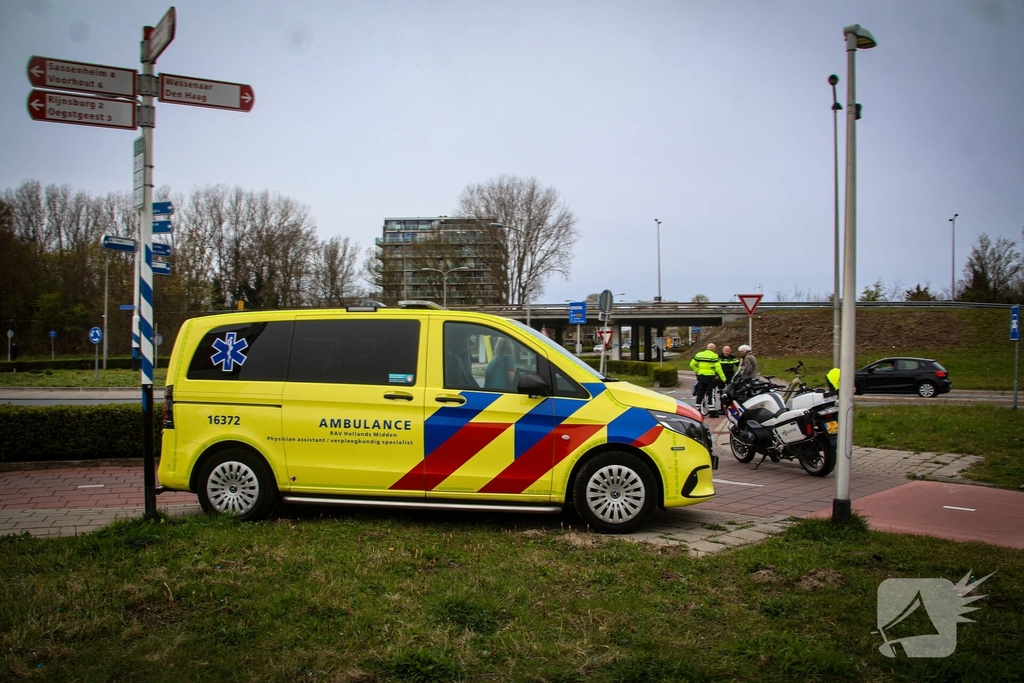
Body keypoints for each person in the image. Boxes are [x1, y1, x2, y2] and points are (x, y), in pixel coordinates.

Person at [690, 342, 726, 409]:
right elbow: (718, 368)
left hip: (701, 377)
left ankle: (698, 408)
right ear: (713, 349)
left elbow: (692, 364)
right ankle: (711, 410)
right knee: (711, 393)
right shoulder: (714, 356)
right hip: (710, 378)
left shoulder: (699, 355)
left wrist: (698, 370)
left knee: (700, 392)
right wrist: (723, 378)